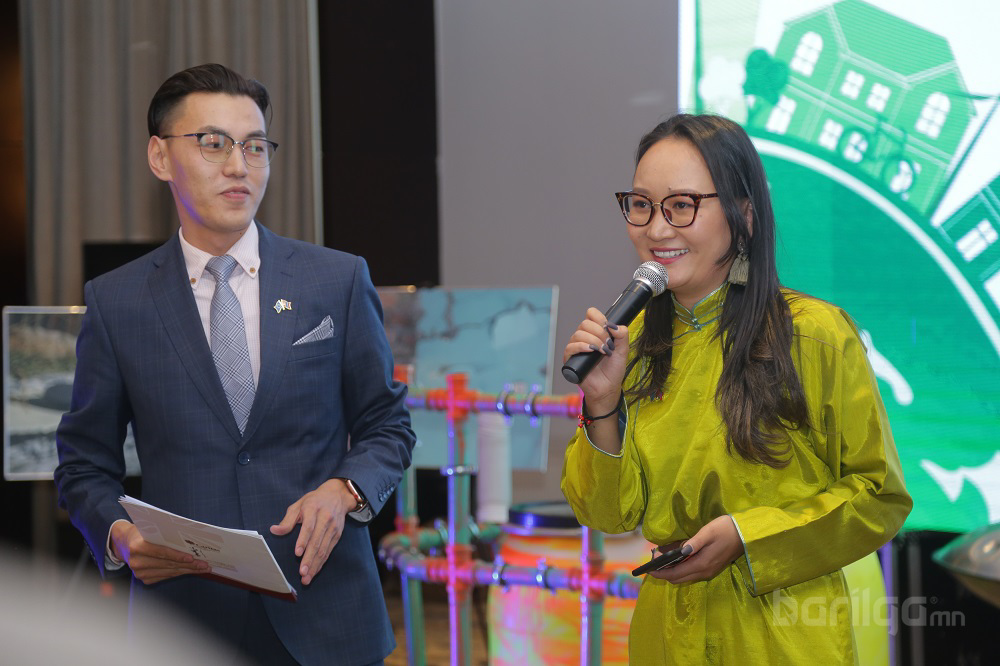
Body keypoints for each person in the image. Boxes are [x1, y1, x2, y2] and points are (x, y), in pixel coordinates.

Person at [54, 63, 415, 666]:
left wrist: (345, 490)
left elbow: (388, 424)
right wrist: (119, 536)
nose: (239, 166)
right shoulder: (117, 302)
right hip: (184, 622)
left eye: (254, 146)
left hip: (327, 613)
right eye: (213, 143)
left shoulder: (336, 279)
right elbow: (84, 462)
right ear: (160, 157)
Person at [560, 114, 911, 664]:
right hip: (666, 634)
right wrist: (601, 403)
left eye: (681, 205)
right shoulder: (629, 344)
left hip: (783, 633)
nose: (657, 229)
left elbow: (879, 496)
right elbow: (606, 515)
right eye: (642, 204)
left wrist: (749, 537)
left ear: (743, 214)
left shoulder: (813, 334)